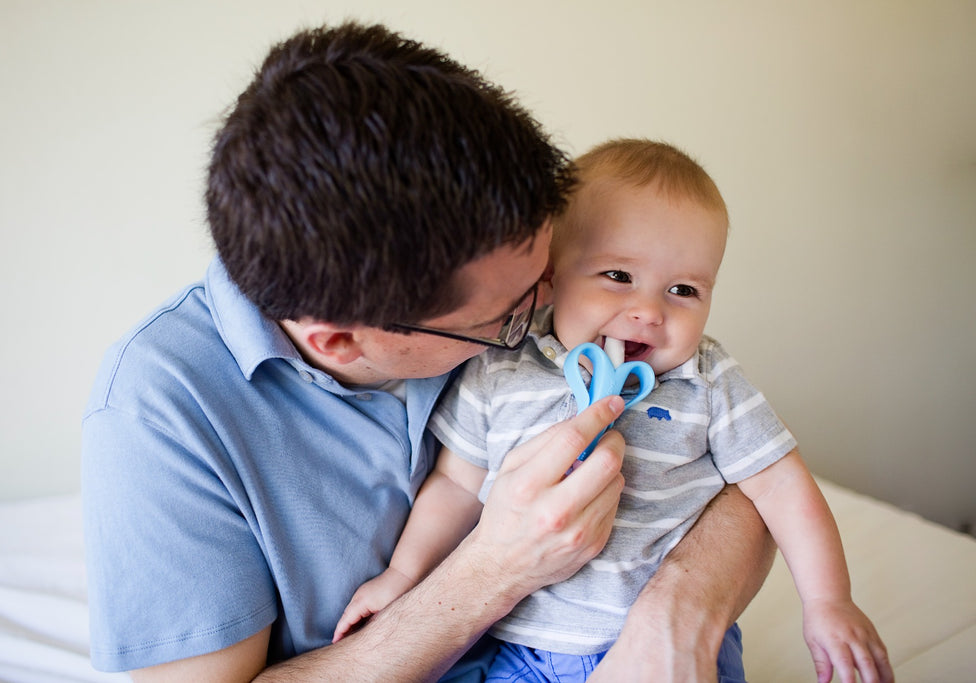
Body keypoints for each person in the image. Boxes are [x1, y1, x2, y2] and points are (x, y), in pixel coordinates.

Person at [81, 24, 775, 682]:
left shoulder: (530, 291)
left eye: (549, 274)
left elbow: (750, 469)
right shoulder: (157, 413)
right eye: (508, 317)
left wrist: (677, 613)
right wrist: (493, 569)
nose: (546, 313)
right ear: (342, 340)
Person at [335, 139, 895, 683]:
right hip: (515, 650)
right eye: (619, 277)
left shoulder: (707, 378)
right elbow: (456, 487)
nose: (649, 311)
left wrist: (828, 601)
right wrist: (403, 574)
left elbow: (782, 488)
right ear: (550, 276)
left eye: (683, 289)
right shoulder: (501, 369)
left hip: (664, 653)